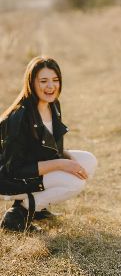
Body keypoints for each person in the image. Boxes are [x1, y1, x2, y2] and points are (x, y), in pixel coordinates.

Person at [0, 56, 97, 232]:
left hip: (33, 168)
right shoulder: (19, 117)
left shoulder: (53, 105)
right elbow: (13, 169)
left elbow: (50, 148)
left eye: (55, 80)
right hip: (10, 179)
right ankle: (20, 213)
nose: (51, 86)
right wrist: (62, 163)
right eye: (43, 81)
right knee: (75, 183)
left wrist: (68, 159)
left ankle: (38, 207)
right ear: (32, 83)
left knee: (89, 161)